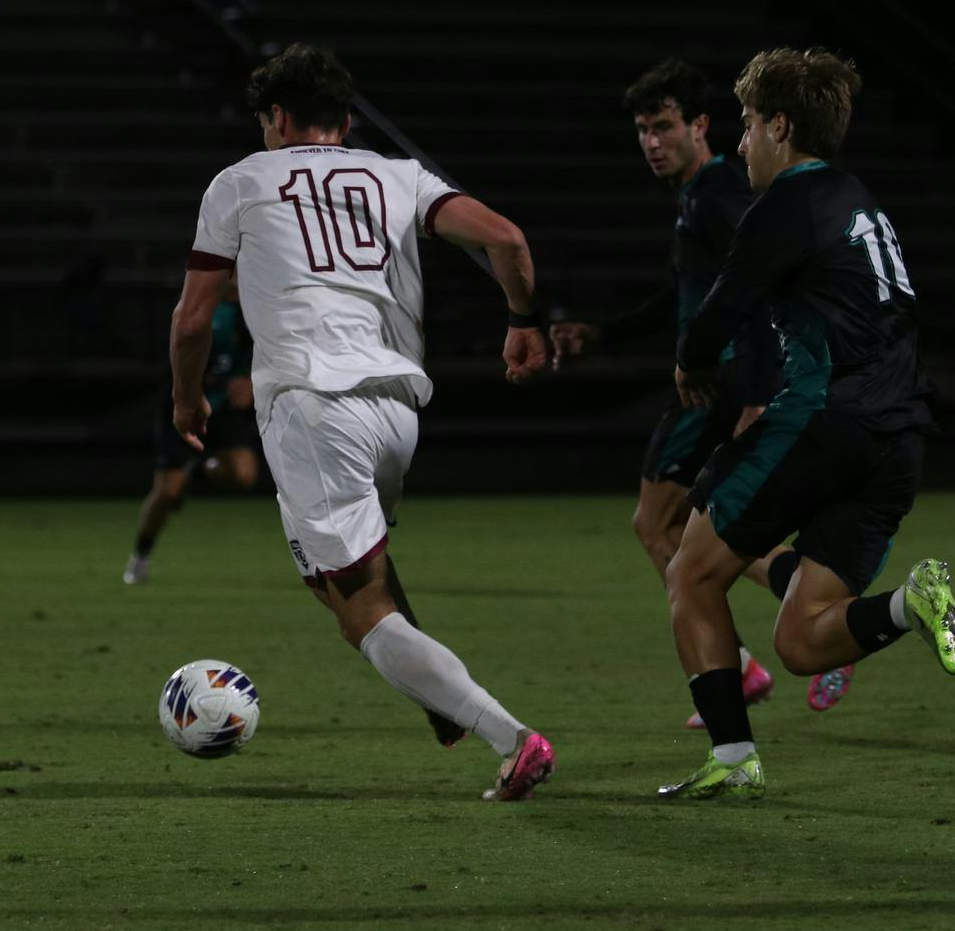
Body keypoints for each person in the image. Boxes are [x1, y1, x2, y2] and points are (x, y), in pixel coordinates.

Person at [169, 42, 556, 801]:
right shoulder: (398, 175)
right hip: (397, 409)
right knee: (344, 586)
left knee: (364, 607)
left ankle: (509, 738)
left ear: (276, 117)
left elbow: (191, 318)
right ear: (343, 121)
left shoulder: (242, 181)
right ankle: (442, 701)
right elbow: (506, 237)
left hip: (314, 406)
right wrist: (523, 319)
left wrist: (187, 398)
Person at [658, 48, 955, 802]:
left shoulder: (788, 203)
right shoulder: (861, 200)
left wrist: (691, 362)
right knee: (802, 639)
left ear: (779, 125)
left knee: (689, 571)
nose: (739, 145)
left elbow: (716, 317)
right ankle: (912, 603)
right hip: (900, 441)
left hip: (830, 418)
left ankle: (733, 757)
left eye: (745, 125)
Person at [550, 60, 855, 721]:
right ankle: (812, 610)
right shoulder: (699, 198)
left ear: (701, 126)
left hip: (714, 388)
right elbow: (685, 298)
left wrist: (753, 395)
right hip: (717, 382)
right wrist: (600, 335)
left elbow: (758, 292)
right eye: (642, 129)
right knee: (707, 530)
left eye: (664, 126)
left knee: (656, 524)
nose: (652, 141)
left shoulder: (721, 196)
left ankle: (738, 664)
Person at [125, 272, 261, 584]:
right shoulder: (199, 305)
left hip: (224, 407)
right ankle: (141, 555)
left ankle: (197, 472)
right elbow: (179, 353)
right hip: (187, 401)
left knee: (243, 474)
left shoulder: (260, 307)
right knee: (167, 494)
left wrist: (254, 380)